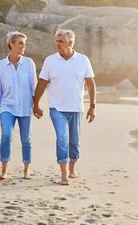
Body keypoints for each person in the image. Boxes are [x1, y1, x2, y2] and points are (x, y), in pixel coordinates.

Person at [33, 29, 97, 185]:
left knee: (74, 141)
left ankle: (72, 168)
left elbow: (90, 84)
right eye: (56, 41)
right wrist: (36, 104)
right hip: (56, 108)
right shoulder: (50, 60)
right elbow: (42, 83)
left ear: (70, 43)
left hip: (76, 108)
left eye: (61, 41)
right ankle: (63, 174)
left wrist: (92, 106)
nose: (57, 44)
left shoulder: (83, 60)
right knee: (62, 139)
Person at [0, 31, 37, 180]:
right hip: (7, 106)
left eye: (24, 43)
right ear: (11, 44)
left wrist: (36, 106)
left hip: (25, 107)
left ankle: (26, 170)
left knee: (26, 139)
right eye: (20, 43)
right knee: (6, 136)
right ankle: (4, 171)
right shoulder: (1, 65)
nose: (23, 46)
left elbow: (33, 88)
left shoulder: (29, 63)